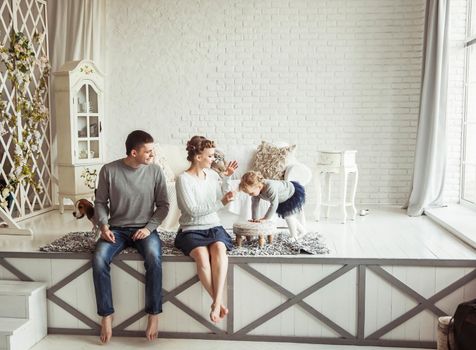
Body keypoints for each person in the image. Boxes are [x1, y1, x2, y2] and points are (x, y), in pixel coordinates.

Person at [93, 130, 169, 343]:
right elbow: (100, 203)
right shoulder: (109, 170)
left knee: (154, 259)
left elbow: (164, 206)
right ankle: (106, 315)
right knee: (99, 259)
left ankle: (153, 315)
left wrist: (149, 228)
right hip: (116, 229)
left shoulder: (155, 171)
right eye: (148, 151)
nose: (152, 155)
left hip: (144, 229)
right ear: (134, 152)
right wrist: (104, 225)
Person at [174, 135, 238, 323]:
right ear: (198, 157)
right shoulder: (183, 180)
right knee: (202, 257)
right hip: (191, 229)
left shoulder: (212, 175)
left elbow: (220, 201)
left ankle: (216, 304)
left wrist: (227, 179)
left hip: (213, 225)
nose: (213, 160)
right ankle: (218, 304)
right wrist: (220, 202)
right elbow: (192, 211)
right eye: (210, 156)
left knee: (219, 250)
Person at [239, 171, 306, 239]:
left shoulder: (270, 187)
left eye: (251, 193)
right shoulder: (256, 192)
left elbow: (274, 204)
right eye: (248, 193)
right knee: (288, 216)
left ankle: (294, 237)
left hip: (291, 192)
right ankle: (302, 231)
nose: (250, 195)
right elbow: (254, 205)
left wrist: (266, 218)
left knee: (288, 216)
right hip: (281, 198)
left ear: (259, 186)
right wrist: (254, 219)